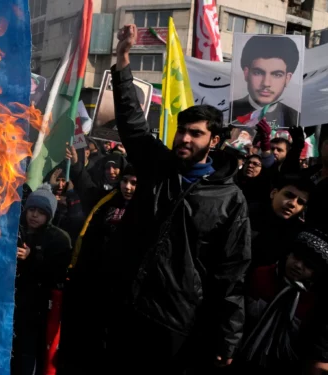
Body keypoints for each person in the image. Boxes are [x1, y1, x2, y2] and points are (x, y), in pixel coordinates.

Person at [104, 24, 251, 373]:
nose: (184, 138)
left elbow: (231, 274)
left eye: (195, 133)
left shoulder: (230, 200)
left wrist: (228, 337)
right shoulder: (158, 166)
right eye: (182, 130)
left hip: (176, 323)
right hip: (126, 305)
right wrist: (122, 60)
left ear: (214, 142)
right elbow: (132, 122)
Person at [59, 164, 137, 374]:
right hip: (96, 280)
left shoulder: (147, 206)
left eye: (133, 183)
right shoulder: (107, 201)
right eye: (124, 181)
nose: (127, 187)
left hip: (124, 287)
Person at [230, 228, 328, 374]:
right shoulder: (260, 275)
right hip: (238, 356)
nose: (298, 266)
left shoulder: (314, 301)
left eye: (308, 265)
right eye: (296, 257)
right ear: (288, 254)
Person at [12, 183, 72, 375]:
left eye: (40, 211)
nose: (34, 215)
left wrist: (31, 258)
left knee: (29, 356)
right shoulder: (16, 230)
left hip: (38, 309)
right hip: (13, 304)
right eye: (32, 210)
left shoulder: (59, 238)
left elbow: (56, 273)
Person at [231, 36, 300, 129]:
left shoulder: (294, 117)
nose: (266, 83)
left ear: (287, 78)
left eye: (277, 75)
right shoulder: (230, 111)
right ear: (246, 73)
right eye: (258, 73)